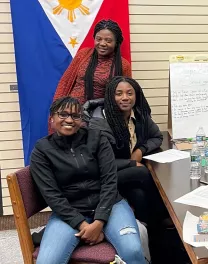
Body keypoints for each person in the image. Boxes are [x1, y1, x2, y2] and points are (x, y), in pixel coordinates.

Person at [30, 97, 146, 264]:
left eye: (76, 116)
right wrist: (84, 227)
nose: (69, 120)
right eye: (63, 114)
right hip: (69, 211)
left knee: (133, 251)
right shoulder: (42, 151)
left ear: (81, 120)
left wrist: (99, 222)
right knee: (47, 262)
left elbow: (109, 181)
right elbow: (52, 195)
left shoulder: (97, 138)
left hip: (110, 205)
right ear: (52, 119)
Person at [88, 76, 165, 226]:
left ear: (136, 95)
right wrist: (130, 164)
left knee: (139, 195)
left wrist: (140, 151)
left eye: (130, 93)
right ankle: (162, 216)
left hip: (124, 175)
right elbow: (100, 162)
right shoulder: (99, 124)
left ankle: (151, 231)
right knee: (142, 172)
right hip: (104, 176)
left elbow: (157, 136)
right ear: (110, 97)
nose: (125, 98)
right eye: (119, 94)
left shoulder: (139, 115)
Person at [53, 19, 131, 105]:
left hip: (99, 114)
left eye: (108, 41)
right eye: (98, 39)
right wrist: (56, 108)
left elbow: (125, 95)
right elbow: (65, 82)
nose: (102, 43)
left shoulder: (123, 65)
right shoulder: (83, 54)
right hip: (73, 111)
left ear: (116, 43)